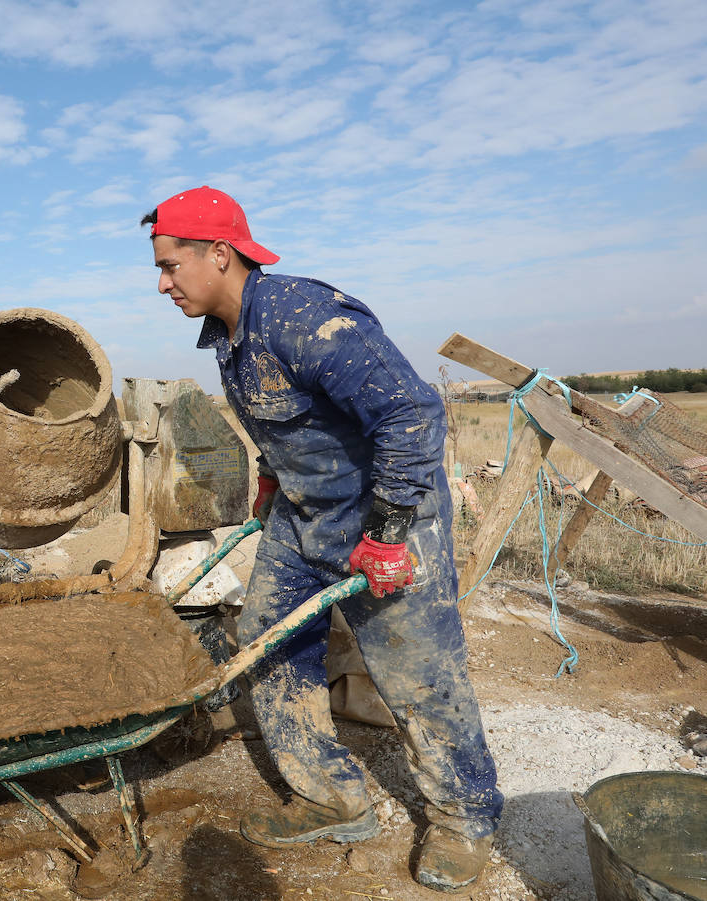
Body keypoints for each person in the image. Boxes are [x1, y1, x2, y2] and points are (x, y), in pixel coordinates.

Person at [141, 186, 503, 892]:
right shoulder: (227, 334)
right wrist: (273, 480)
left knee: (419, 675)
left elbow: (411, 412)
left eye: (170, 265)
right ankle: (332, 794)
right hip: (305, 518)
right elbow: (289, 419)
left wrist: (391, 531)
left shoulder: (303, 315)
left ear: (218, 254)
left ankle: (465, 818)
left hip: (386, 521)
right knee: (267, 638)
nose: (162, 283)